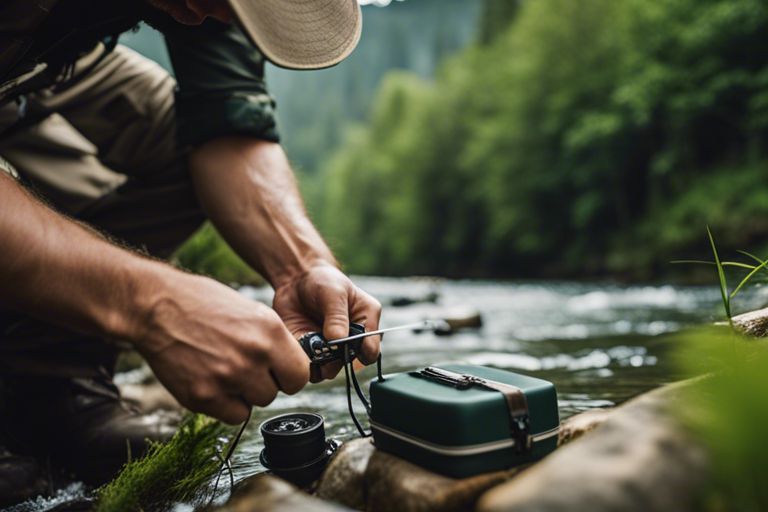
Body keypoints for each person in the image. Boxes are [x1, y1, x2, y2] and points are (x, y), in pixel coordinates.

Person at [0, 0, 382, 491]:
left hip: (35, 62)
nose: (226, 20)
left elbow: (225, 117)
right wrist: (154, 306)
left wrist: (301, 266)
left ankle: (48, 382)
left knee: (180, 132)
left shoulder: (223, 9)